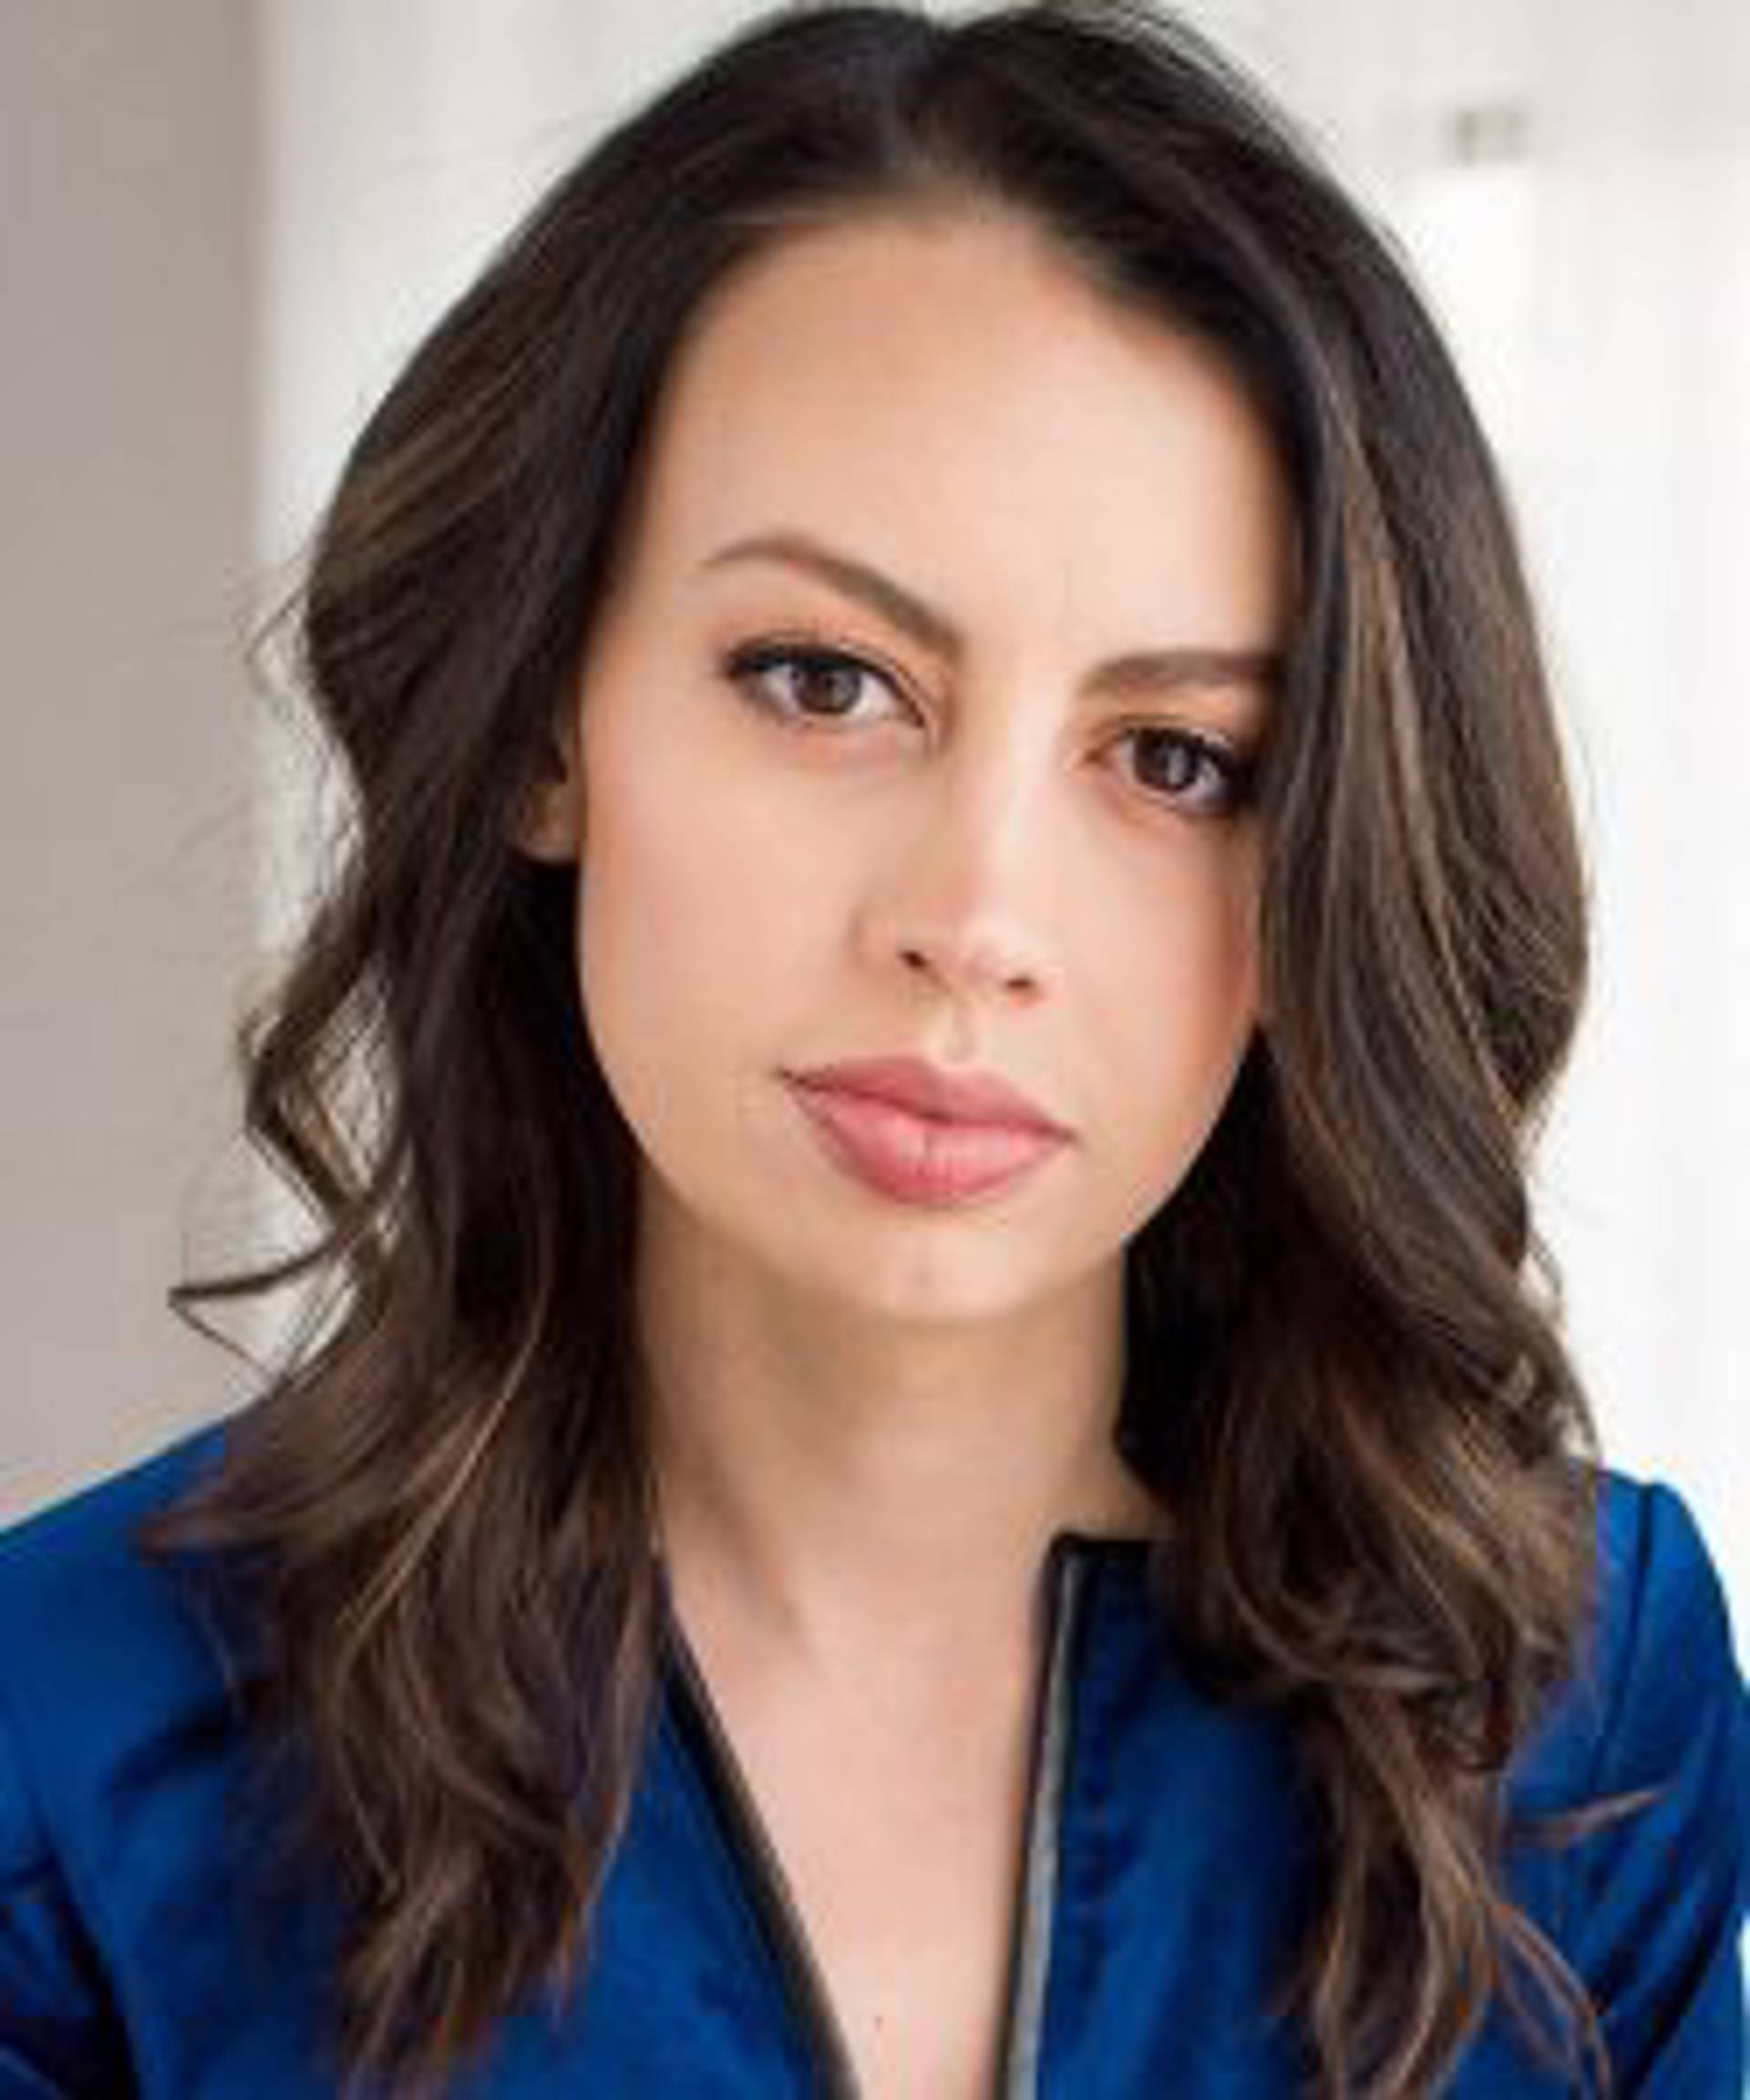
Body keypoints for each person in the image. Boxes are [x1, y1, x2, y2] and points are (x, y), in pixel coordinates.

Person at [1, 1, 1745, 2093]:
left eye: (1178, 759)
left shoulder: (1574, 1712)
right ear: (547, 717)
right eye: (825, 681)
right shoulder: (74, 1746)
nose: (975, 919)